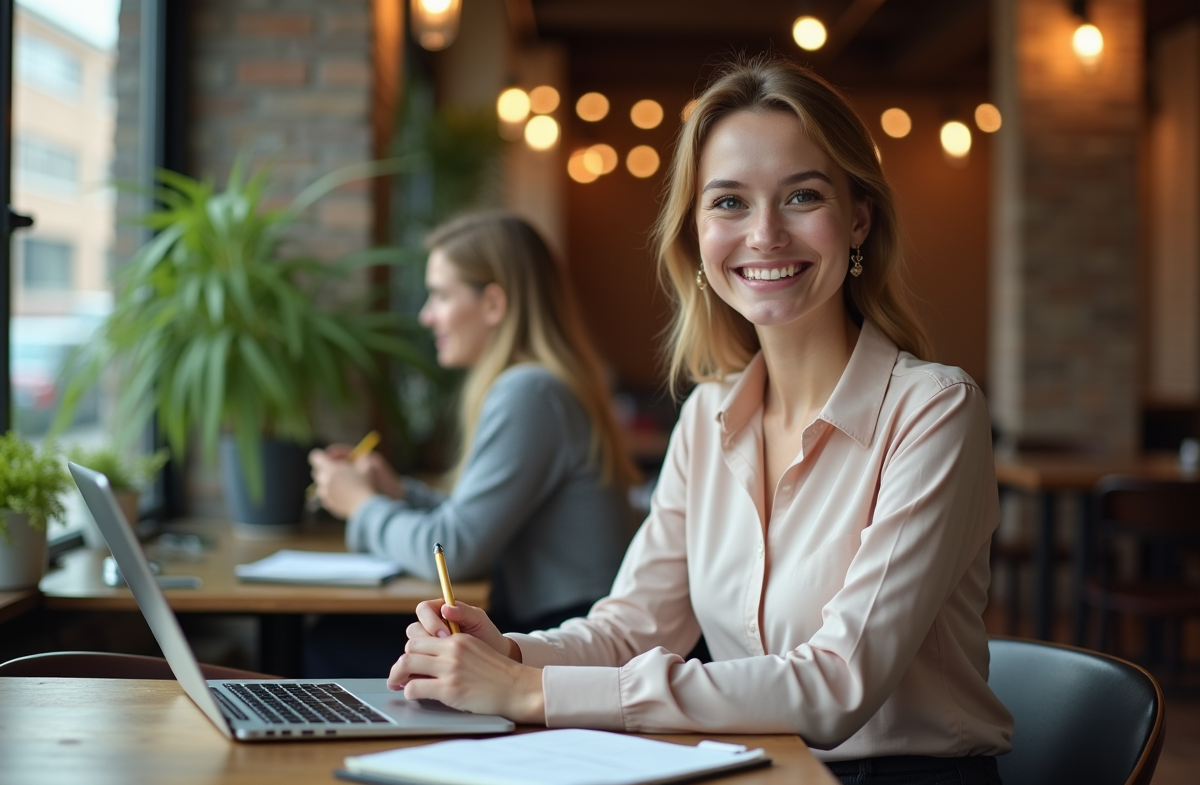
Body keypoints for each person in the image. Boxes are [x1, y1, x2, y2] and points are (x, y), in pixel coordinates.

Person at [389, 56, 1013, 784]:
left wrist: (531, 692)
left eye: (802, 196)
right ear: (695, 236)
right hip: (757, 764)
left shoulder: (935, 411)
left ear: (859, 220)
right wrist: (512, 654)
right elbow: (631, 629)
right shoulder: (709, 416)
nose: (765, 235)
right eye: (729, 203)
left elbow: (839, 684)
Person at [306, 211, 639, 673]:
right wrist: (397, 493)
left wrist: (361, 506)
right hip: (558, 627)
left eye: (441, 294)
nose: (427, 315)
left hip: (565, 641)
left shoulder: (530, 393)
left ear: (493, 305)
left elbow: (456, 551)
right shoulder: (543, 383)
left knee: (332, 643)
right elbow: (475, 520)